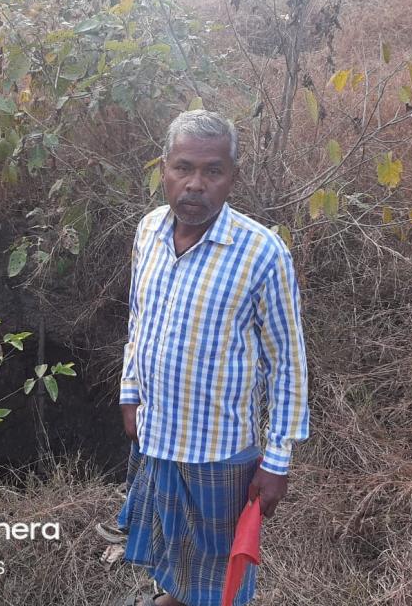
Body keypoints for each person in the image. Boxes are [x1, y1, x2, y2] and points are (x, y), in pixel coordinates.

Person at [116, 110, 309, 606]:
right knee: (171, 549)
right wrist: (130, 394)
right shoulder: (148, 233)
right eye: (183, 167)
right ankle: (171, 597)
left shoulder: (262, 253)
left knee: (221, 575)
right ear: (164, 169)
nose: (195, 184)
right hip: (157, 438)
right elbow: (139, 320)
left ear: (232, 177)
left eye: (212, 171)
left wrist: (278, 459)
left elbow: (288, 363)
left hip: (220, 454)